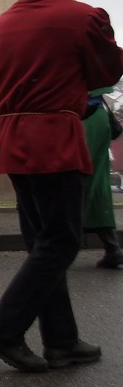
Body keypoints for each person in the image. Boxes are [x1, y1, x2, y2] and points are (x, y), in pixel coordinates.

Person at [0, 0, 122, 373]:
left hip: (12, 140)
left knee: (43, 244)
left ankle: (61, 340)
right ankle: (2, 331)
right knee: (61, 242)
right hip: (56, 138)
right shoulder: (81, 18)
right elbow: (108, 70)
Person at [81, 89, 123, 268]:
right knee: (96, 183)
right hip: (96, 115)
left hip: (81, 116)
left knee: (79, 182)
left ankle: (53, 250)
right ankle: (112, 248)